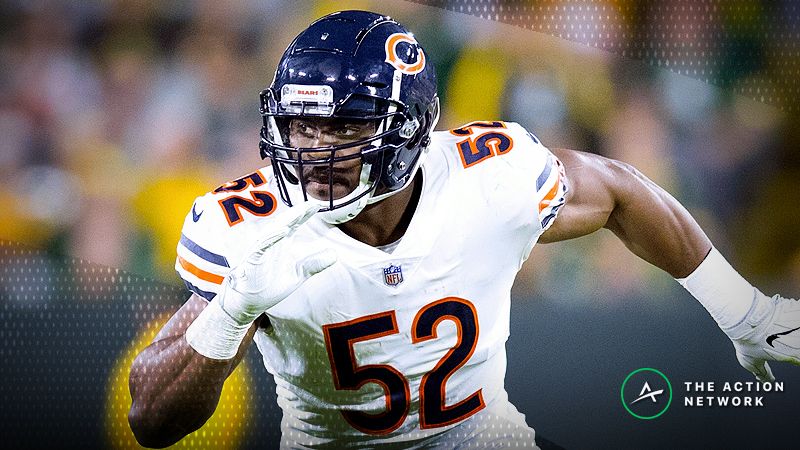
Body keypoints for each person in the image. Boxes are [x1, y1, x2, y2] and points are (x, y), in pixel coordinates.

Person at [127, 10, 800, 449]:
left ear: (412, 128)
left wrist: (740, 307)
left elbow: (622, 188)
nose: (317, 148)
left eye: (347, 125)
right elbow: (151, 421)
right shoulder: (250, 226)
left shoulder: (484, 177)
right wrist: (230, 311)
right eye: (302, 125)